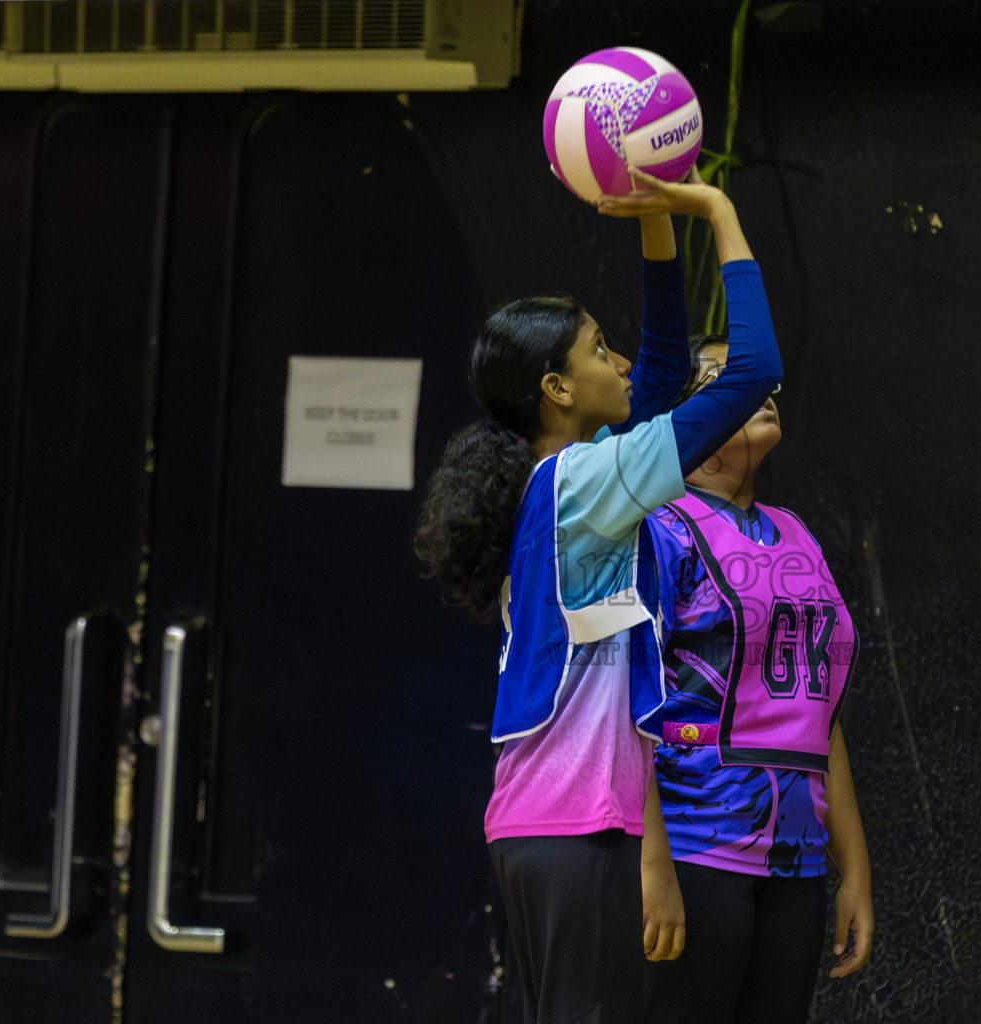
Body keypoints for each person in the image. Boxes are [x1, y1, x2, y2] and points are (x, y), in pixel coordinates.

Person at [413, 167, 782, 1024]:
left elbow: (657, 370)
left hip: (541, 829)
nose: (619, 360)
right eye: (595, 349)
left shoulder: (557, 483)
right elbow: (750, 367)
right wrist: (715, 211)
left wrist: (653, 221)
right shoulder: (586, 484)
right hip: (576, 831)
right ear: (557, 389)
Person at [640, 337, 874, 1024]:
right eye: (724, 376)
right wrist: (650, 865)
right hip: (694, 843)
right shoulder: (661, 532)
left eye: (759, 376)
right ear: (687, 422)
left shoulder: (796, 533)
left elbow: (819, 716)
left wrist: (853, 869)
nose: (760, 386)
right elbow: (628, 709)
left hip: (796, 858)